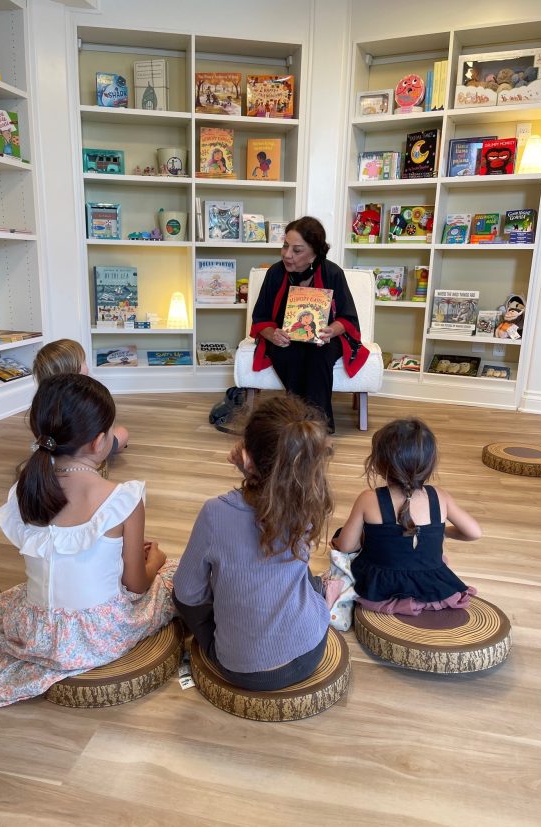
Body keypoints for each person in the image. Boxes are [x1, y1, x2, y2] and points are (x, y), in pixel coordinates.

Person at [0, 374, 177, 710]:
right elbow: (136, 584)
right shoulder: (123, 498)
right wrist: (156, 560)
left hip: (36, 632)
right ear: (99, 442)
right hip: (97, 636)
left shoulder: (25, 489)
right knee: (172, 574)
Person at [173, 395, 332, 691]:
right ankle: (322, 597)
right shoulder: (308, 501)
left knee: (180, 596)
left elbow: (187, 591)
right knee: (300, 573)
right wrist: (251, 469)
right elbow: (273, 491)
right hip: (311, 649)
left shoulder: (215, 512)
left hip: (242, 669)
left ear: (248, 455)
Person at [328, 417, 480, 617]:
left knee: (343, 537)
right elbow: (474, 533)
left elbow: (347, 547)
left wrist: (340, 540)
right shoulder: (439, 496)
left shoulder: (368, 498)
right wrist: (442, 532)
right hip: (430, 584)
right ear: (429, 464)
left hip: (380, 585)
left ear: (379, 464)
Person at [250, 216, 369, 432]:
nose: (287, 254)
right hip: (285, 337)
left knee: (319, 354)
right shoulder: (275, 273)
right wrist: (272, 334)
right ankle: (300, 420)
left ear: (314, 252)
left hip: (324, 338)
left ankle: (318, 423)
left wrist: (331, 330)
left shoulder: (333, 273)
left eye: (297, 250)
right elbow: (260, 318)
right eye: (285, 246)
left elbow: (347, 318)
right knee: (288, 354)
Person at [33, 338, 128, 452]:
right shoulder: (86, 398)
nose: (86, 366)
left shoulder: (42, 401)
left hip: (54, 448)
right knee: (122, 433)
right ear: (75, 371)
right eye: (84, 361)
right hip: (86, 451)